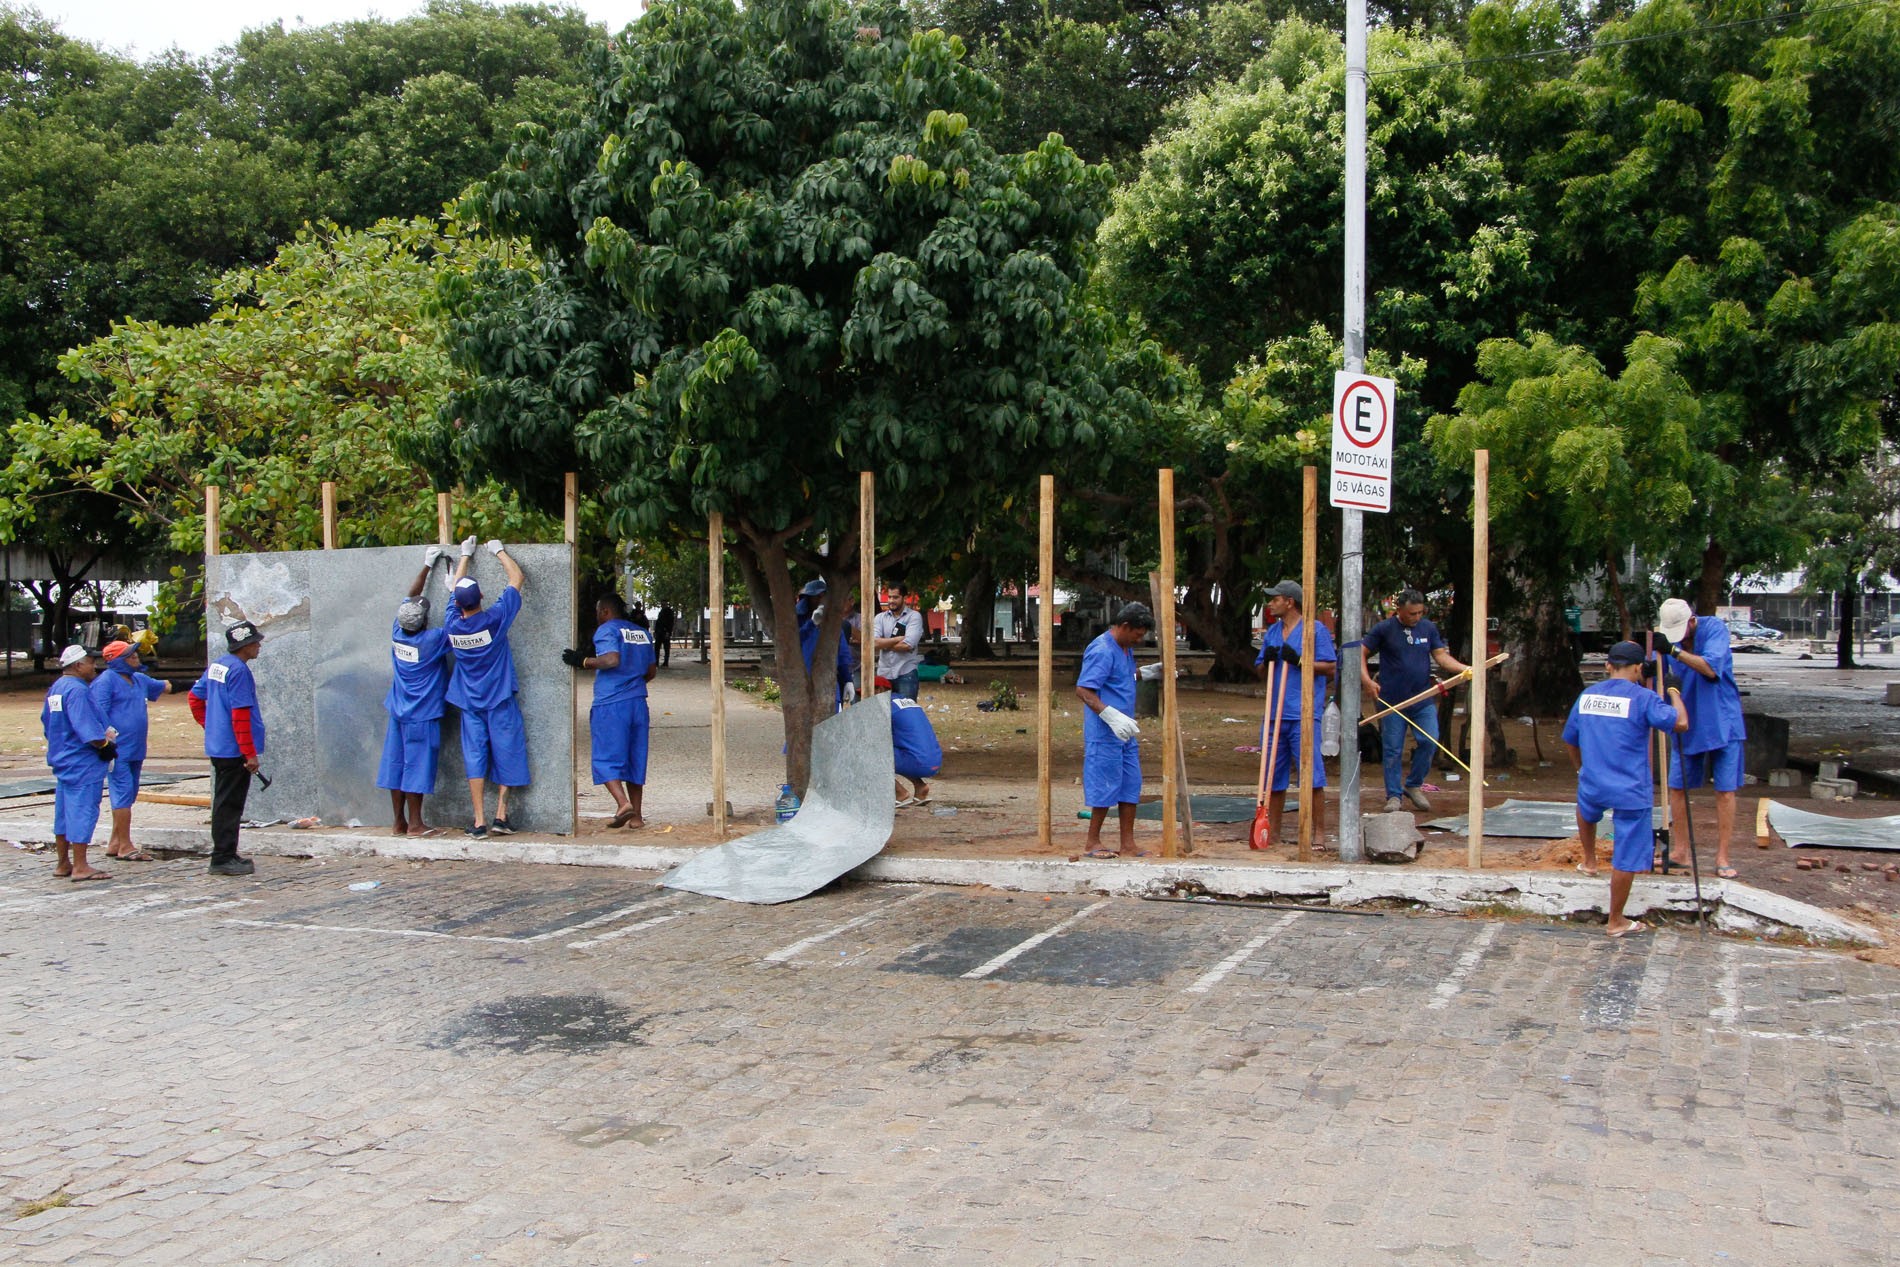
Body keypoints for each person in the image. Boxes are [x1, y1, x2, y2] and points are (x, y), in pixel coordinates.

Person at [1562, 640, 1688, 936]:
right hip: (1630, 787)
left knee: (1586, 809)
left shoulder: (1588, 695)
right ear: (1637, 668)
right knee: (1627, 854)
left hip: (1593, 780)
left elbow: (1570, 738)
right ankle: (1616, 920)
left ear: (1608, 666)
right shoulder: (1643, 698)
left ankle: (1590, 860)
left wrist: (1581, 769)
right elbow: (1680, 723)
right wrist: (1673, 691)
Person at [1656, 598, 1746, 879]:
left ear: (1692, 621)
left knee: (1725, 789)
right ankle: (1680, 850)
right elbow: (1661, 676)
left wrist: (1674, 651)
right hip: (1686, 719)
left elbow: (1709, 668)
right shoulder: (1669, 642)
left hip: (1722, 719)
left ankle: (1722, 856)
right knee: (1677, 788)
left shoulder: (1715, 629)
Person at [447, 536, 529, 838]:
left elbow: (454, 589)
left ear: (457, 603)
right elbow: (517, 578)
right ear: (482, 595)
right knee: (507, 751)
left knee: (475, 757)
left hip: (470, 703)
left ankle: (479, 821)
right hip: (500, 699)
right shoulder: (496, 619)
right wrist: (498, 550)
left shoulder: (452, 624)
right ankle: (501, 815)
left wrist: (464, 557)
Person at [1360, 589, 1468, 813]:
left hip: (1422, 699)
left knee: (1430, 740)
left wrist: (1465, 669)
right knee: (1392, 750)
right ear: (1398, 609)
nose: (1416, 617)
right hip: (1392, 702)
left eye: (1420, 613)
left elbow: (1440, 656)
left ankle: (1414, 784)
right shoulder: (1384, 629)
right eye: (1411, 613)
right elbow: (1360, 652)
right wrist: (1367, 681)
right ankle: (1393, 796)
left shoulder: (1428, 628)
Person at [1255, 580, 1337, 847]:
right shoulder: (1273, 632)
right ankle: (1273, 832)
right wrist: (1267, 659)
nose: (1270, 603)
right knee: (1273, 776)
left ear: (1289, 601)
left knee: (1311, 776)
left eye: (1274, 598)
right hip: (1273, 715)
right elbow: (1260, 670)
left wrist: (1300, 661)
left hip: (1302, 712)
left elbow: (1329, 667)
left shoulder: (1315, 630)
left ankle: (1318, 834)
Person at [565, 593, 657, 828]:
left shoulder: (607, 630)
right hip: (638, 703)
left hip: (611, 704)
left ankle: (622, 803)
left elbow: (611, 660)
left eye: (598, 611)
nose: (596, 616)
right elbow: (651, 671)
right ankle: (636, 817)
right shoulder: (641, 633)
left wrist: (583, 661)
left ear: (605, 611)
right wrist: (632, 684)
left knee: (606, 757)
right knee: (635, 758)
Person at [377, 547, 452, 837]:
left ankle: (398, 822)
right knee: (416, 768)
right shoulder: (432, 640)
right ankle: (416, 824)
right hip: (422, 714)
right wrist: (453, 587)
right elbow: (455, 620)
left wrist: (426, 566)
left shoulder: (398, 632)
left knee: (396, 765)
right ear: (423, 623)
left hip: (398, 710)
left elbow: (409, 598)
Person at [1076, 602, 1156, 858]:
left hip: (1125, 731)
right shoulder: (1101, 650)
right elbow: (1084, 689)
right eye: (1137, 633)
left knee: (1130, 785)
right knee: (1104, 785)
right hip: (1105, 731)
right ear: (1124, 626)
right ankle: (1092, 842)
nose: (1139, 639)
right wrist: (1108, 714)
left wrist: (1146, 674)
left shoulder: (1124, 648)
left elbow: (1121, 677)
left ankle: (1128, 843)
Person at [188, 621, 268, 876]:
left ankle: (225, 853)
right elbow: (241, 715)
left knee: (223, 802)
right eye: (255, 642)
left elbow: (194, 697)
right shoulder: (239, 671)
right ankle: (223, 856)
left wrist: (211, 726)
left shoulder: (219, 665)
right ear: (244, 645)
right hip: (235, 750)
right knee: (230, 805)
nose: (259, 645)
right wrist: (249, 753)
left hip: (221, 745)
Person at [89, 638, 172, 861]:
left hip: (136, 749)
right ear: (116, 661)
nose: (136, 657)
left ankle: (115, 841)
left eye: (135, 654)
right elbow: (98, 715)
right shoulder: (105, 682)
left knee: (130, 793)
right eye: (130, 655)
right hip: (118, 750)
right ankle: (125, 845)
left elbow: (163, 686)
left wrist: (169, 684)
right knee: (122, 793)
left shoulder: (139, 679)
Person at [42, 645, 114, 881]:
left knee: (63, 812)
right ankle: (81, 866)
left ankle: (63, 863)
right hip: (82, 760)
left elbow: (47, 722)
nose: (95, 666)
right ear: (77, 665)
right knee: (82, 810)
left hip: (63, 758)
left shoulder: (57, 688)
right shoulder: (78, 690)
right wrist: (104, 746)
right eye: (91, 662)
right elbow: (87, 727)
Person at [873, 590, 925, 700]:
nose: (891, 601)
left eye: (895, 597)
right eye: (890, 597)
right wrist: (897, 639)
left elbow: (907, 645)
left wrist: (882, 643)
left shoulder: (914, 617)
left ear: (904, 598)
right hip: (884, 673)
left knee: (906, 712)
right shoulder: (880, 618)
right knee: (882, 713)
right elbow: (873, 643)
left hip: (906, 672)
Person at [892, 695, 942, 807]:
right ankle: (920, 786)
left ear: (880, 690)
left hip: (916, 761)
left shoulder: (886, 706)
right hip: (934, 759)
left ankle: (900, 792)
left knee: (872, 754)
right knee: (906, 752)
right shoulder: (907, 702)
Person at [654, 604, 676, 668]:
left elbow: (670, 623)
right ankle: (656, 662)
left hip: (665, 632)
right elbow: (658, 622)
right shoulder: (661, 612)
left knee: (666, 648)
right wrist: (656, 631)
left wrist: (668, 632)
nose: (662, 605)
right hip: (659, 632)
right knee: (657, 648)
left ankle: (665, 662)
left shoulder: (669, 612)